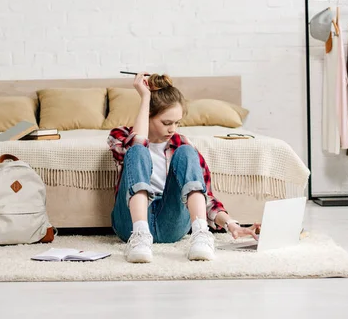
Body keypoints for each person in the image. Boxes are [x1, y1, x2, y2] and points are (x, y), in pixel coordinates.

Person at [107, 73, 260, 263]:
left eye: (177, 123)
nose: (173, 129)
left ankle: (201, 235)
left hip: (171, 222)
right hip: (129, 223)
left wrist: (231, 224)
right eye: (166, 123)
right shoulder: (119, 135)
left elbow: (204, 195)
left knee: (187, 151)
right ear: (147, 116)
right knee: (137, 151)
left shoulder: (180, 143)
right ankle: (140, 236)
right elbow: (136, 146)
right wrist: (145, 97)